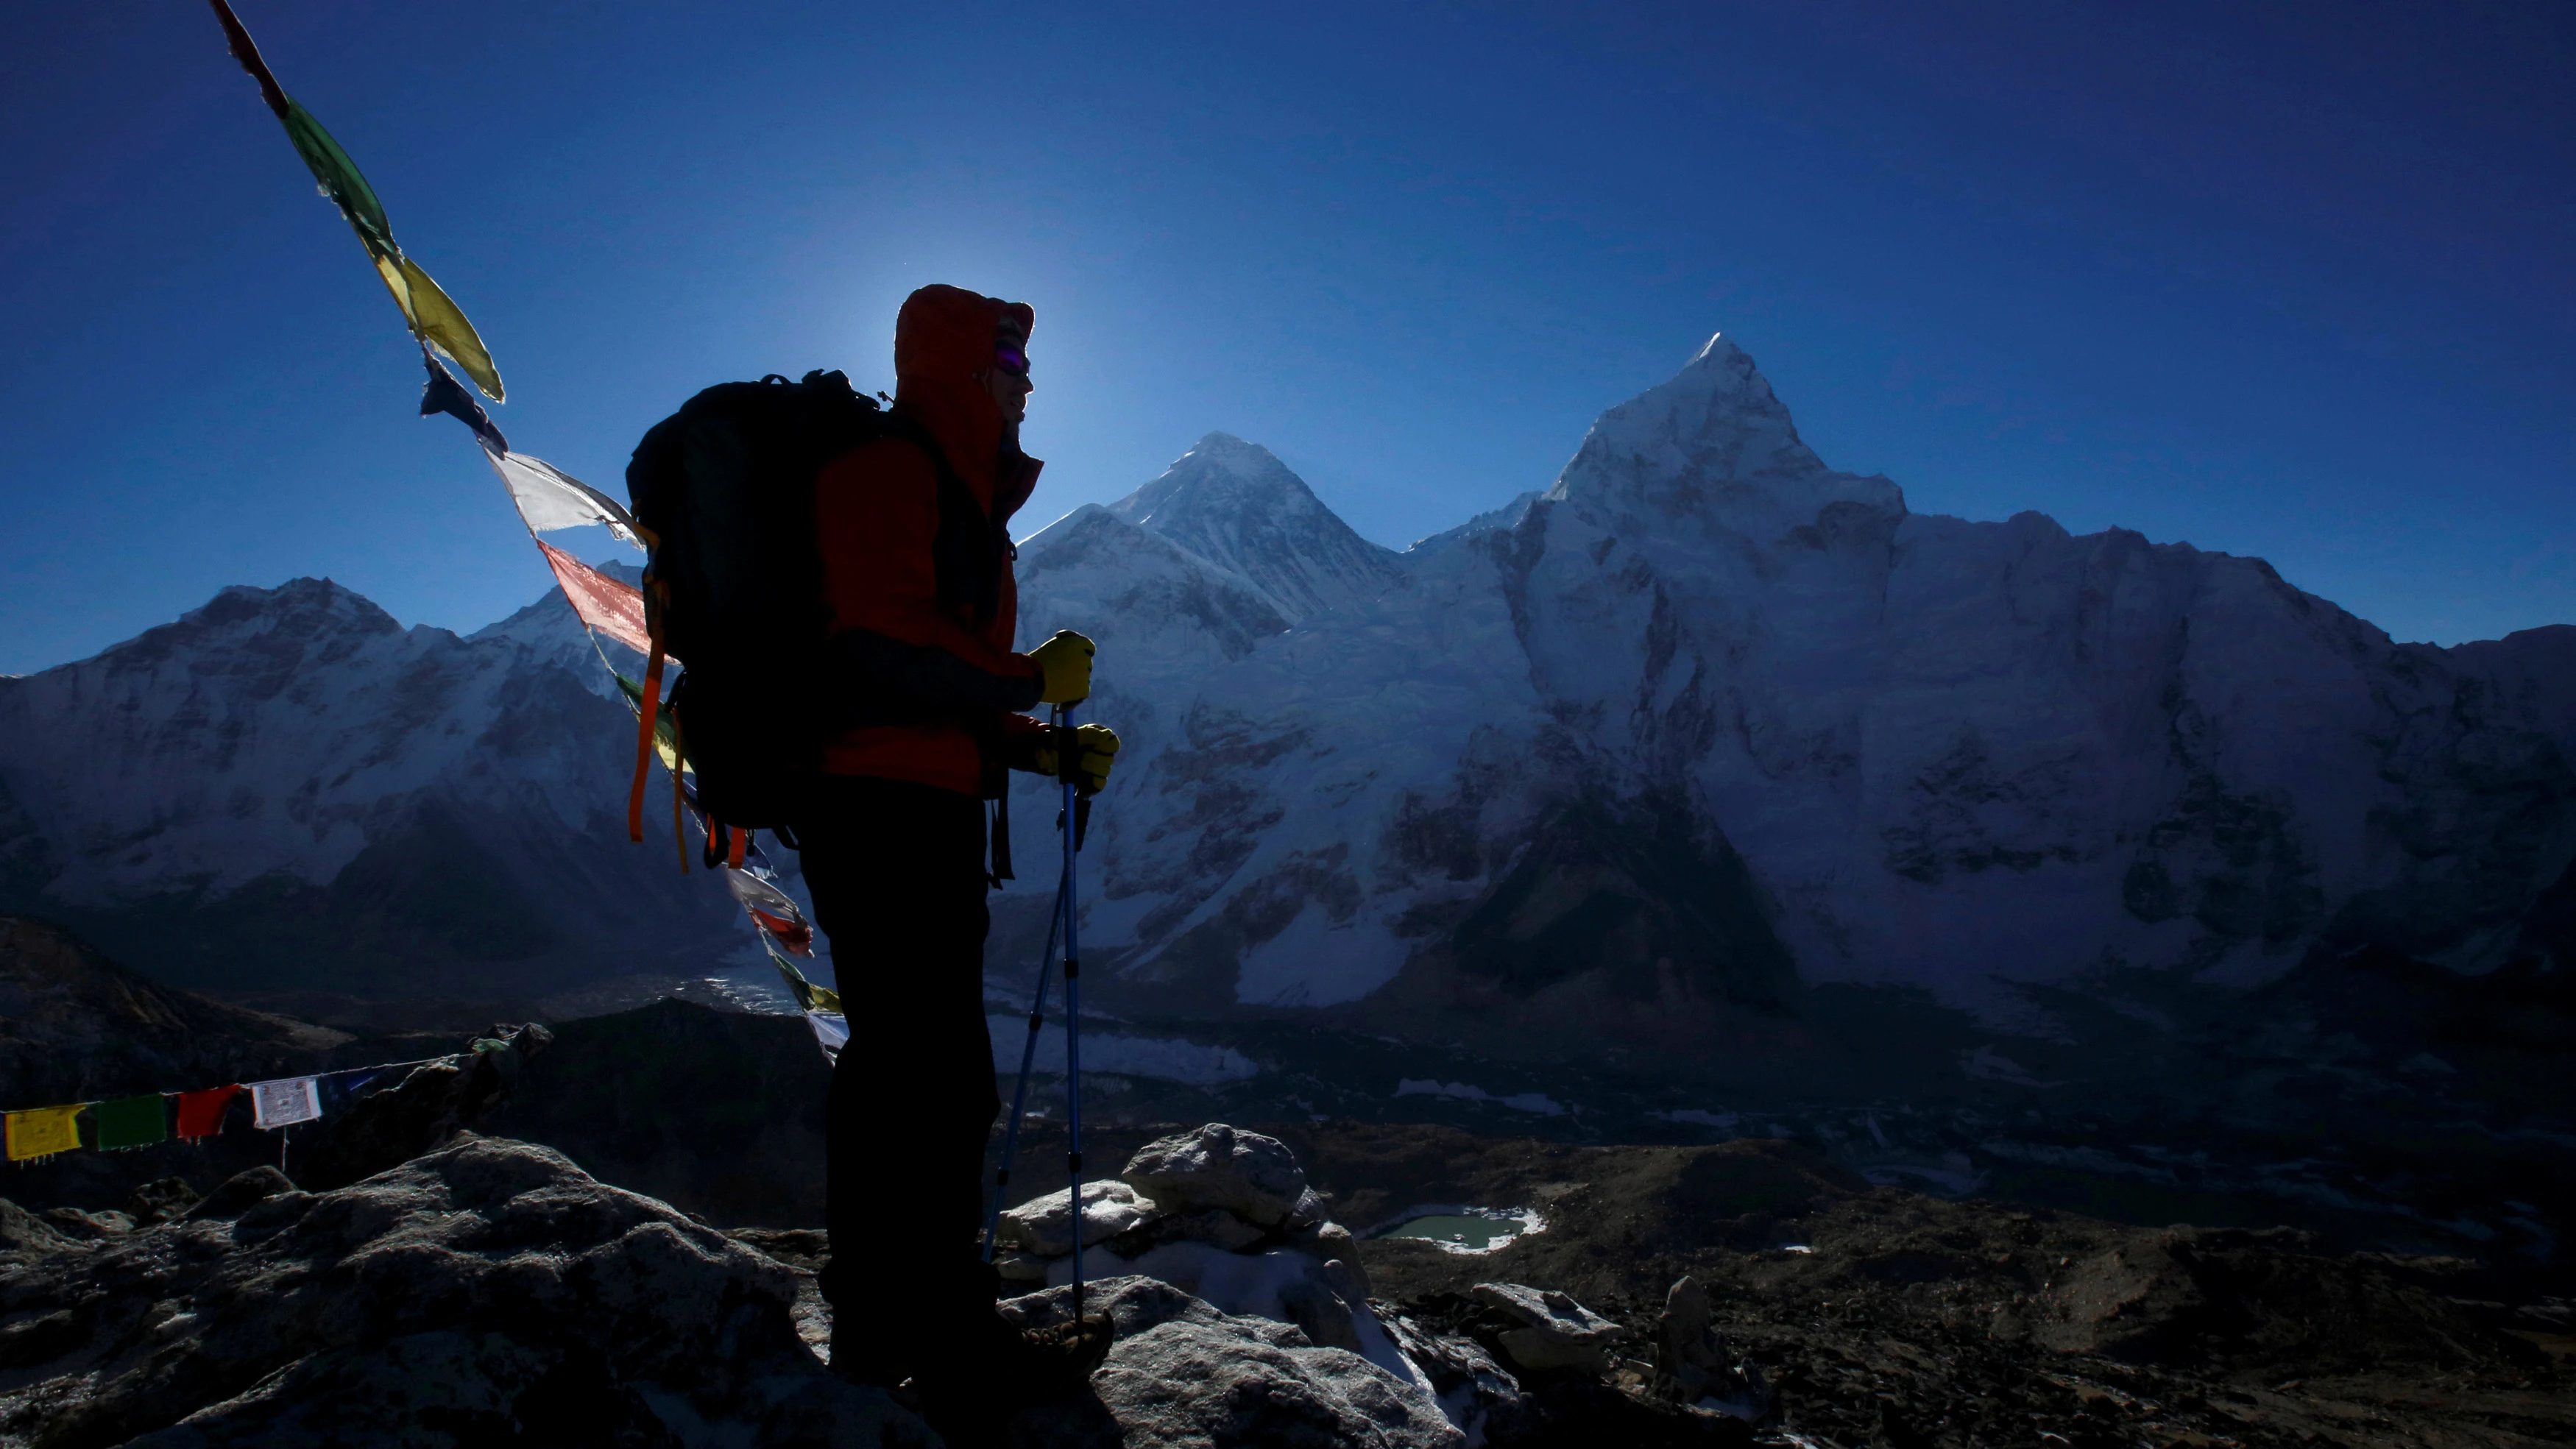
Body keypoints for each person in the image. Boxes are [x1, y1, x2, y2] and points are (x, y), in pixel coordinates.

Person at [794, 284, 1121, 1423]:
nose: (1027, 380)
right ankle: (921, 1331)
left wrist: (1033, 750)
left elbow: (925, 677)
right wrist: (1029, 682)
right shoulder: (893, 471)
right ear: (959, 367)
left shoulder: (958, 489)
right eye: (1010, 360)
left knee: (920, 1073)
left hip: (915, 806)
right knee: (921, 1077)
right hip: (878, 812)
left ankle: (904, 1322)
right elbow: (881, 650)